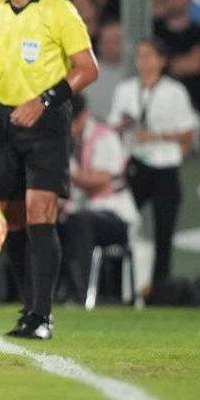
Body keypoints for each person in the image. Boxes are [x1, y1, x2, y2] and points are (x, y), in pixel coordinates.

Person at [0, 0, 99, 340]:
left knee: (42, 212)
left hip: (48, 122)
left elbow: (88, 68)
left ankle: (42, 315)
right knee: (13, 219)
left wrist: (44, 100)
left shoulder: (60, 10)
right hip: (6, 121)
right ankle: (30, 308)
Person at [108, 38, 196, 292]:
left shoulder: (175, 91)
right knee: (120, 223)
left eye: (148, 55)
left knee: (164, 233)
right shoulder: (125, 89)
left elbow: (186, 132)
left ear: (161, 60)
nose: (142, 61)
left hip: (165, 164)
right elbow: (113, 125)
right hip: (135, 162)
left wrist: (157, 136)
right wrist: (125, 124)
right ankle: (114, 286)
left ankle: (160, 289)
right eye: (139, 55)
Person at [59, 94, 139, 303]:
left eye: (74, 122)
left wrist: (69, 173)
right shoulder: (70, 140)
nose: (71, 127)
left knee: (80, 222)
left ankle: (80, 294)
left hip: (114, 215)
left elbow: (100, 181)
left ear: (84, 115)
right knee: (51, 223)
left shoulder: (105, 137)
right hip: (82, 212)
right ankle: (50, 294)